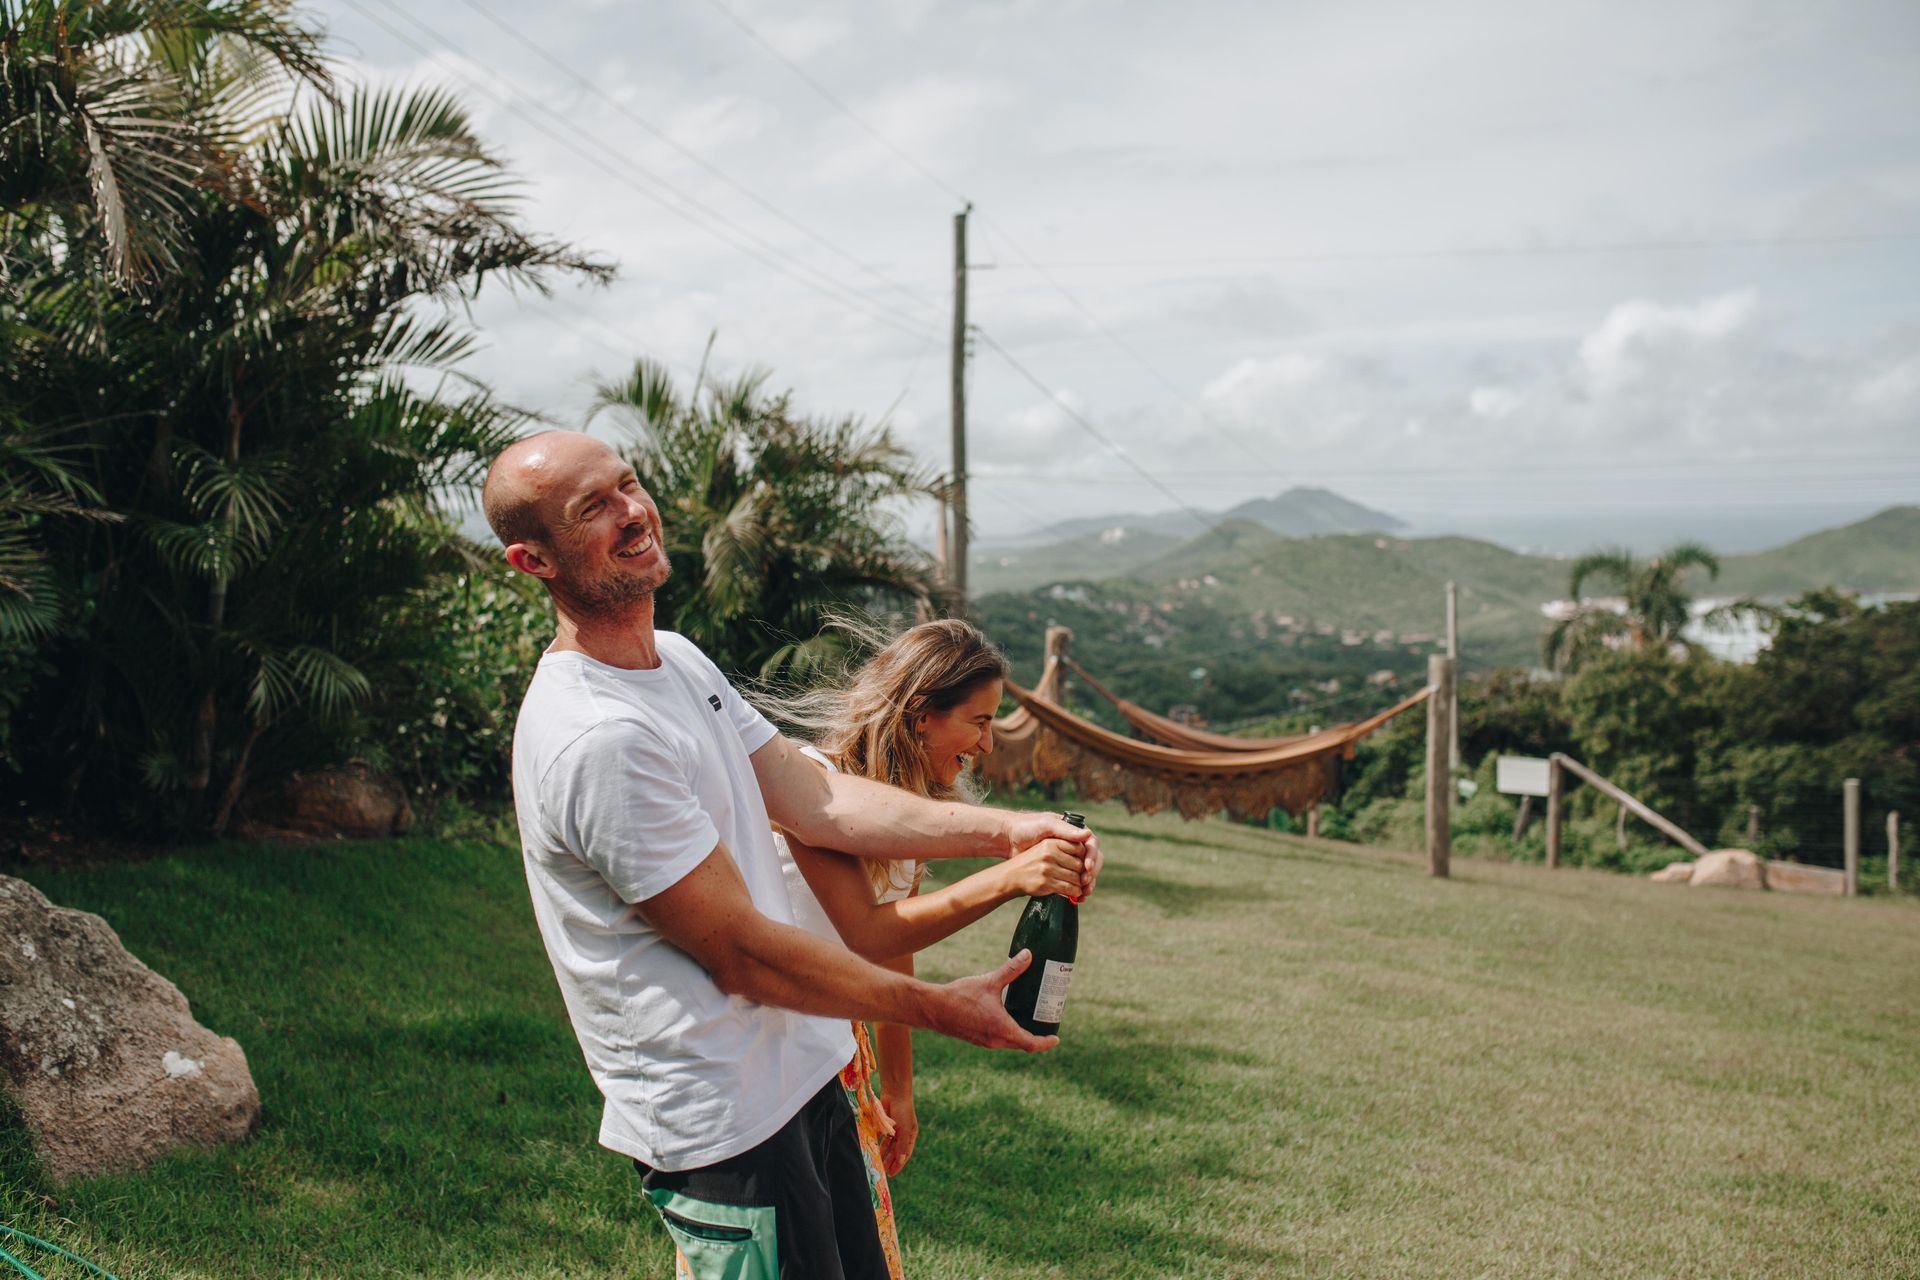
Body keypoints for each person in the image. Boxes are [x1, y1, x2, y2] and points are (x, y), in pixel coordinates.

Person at [481, 430, 1099, 1280]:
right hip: (724, 1122)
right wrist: (939, 1006)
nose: (632, 512)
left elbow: (820, 804)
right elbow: (741, 954)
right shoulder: (599, 738)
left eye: (627, 484)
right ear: (532, 559)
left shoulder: (678, 662)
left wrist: (1009, 831)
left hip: (806, 1075)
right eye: (593, 508)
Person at [763, 618, 1081, 1278]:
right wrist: (1010, 875)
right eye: (980, 721)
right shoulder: (810, 788)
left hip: (839, 1047)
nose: (989, 744)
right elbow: (869, 931)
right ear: (920, 715)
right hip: (772, 1052)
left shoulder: (908, 809)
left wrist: (898, 1089)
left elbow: (891, 954)